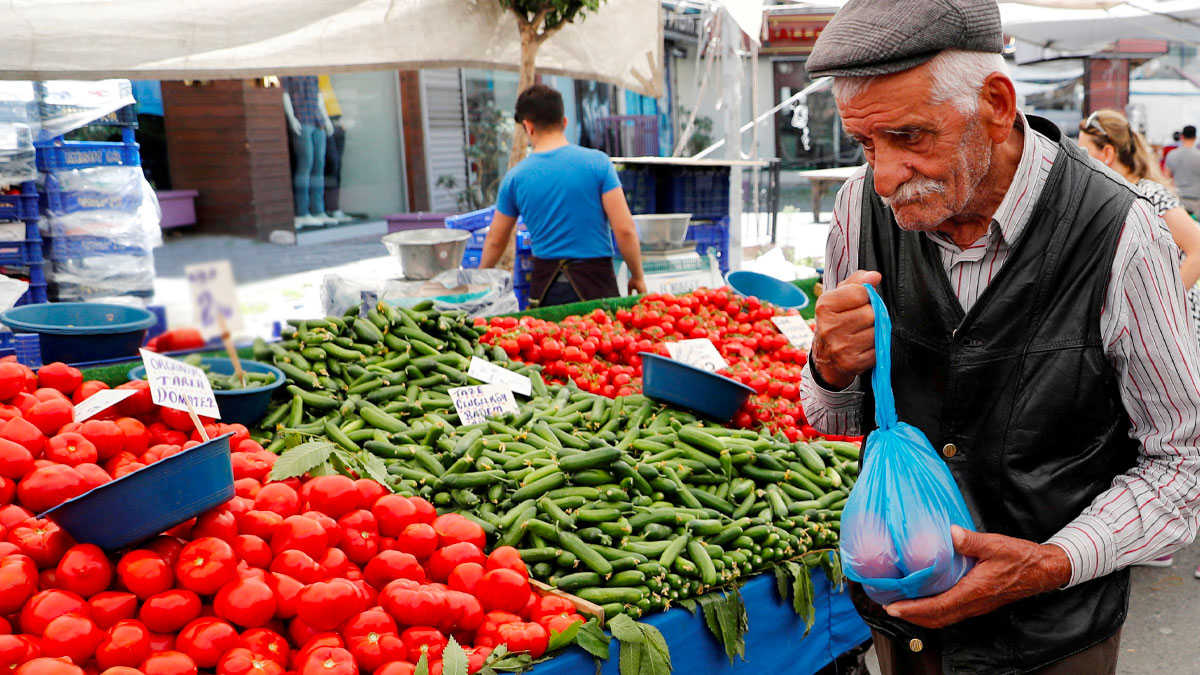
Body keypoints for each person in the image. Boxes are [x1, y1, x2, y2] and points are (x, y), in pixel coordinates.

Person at [801, 0, 1200, 673]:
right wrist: (827, 365)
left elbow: (1182, 460)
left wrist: (1049, 563)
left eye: (909, 136)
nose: (886, 176)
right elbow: (834, 416)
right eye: (866, 144)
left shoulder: (1118, 234)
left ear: (996, 102)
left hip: (1053, 640)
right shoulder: (856, 210)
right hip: (907, 632)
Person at [480, 84, 646, 306]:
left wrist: (478, 280)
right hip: (597, 286)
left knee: (553, 340)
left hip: (546, 291)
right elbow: (624, 230)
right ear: (564, 122)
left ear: (528, 127)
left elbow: (495, 241)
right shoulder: (598, 163)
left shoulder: (515, 178)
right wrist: (637, 275)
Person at [1079, 109, 1200, 411]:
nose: (1079, 161)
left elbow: (1198, 248)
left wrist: (1164, 306)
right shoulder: (1117, 195)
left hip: (1175, 325)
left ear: (1107, 153)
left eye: (1085, 151)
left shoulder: (1148, 193)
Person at [1165, 125, 1200, 216]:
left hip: (1177, 199)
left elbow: (1166, 178)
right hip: (1196, 200)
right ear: (1195, 137)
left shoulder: (1171, 155)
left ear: (1182, 136)